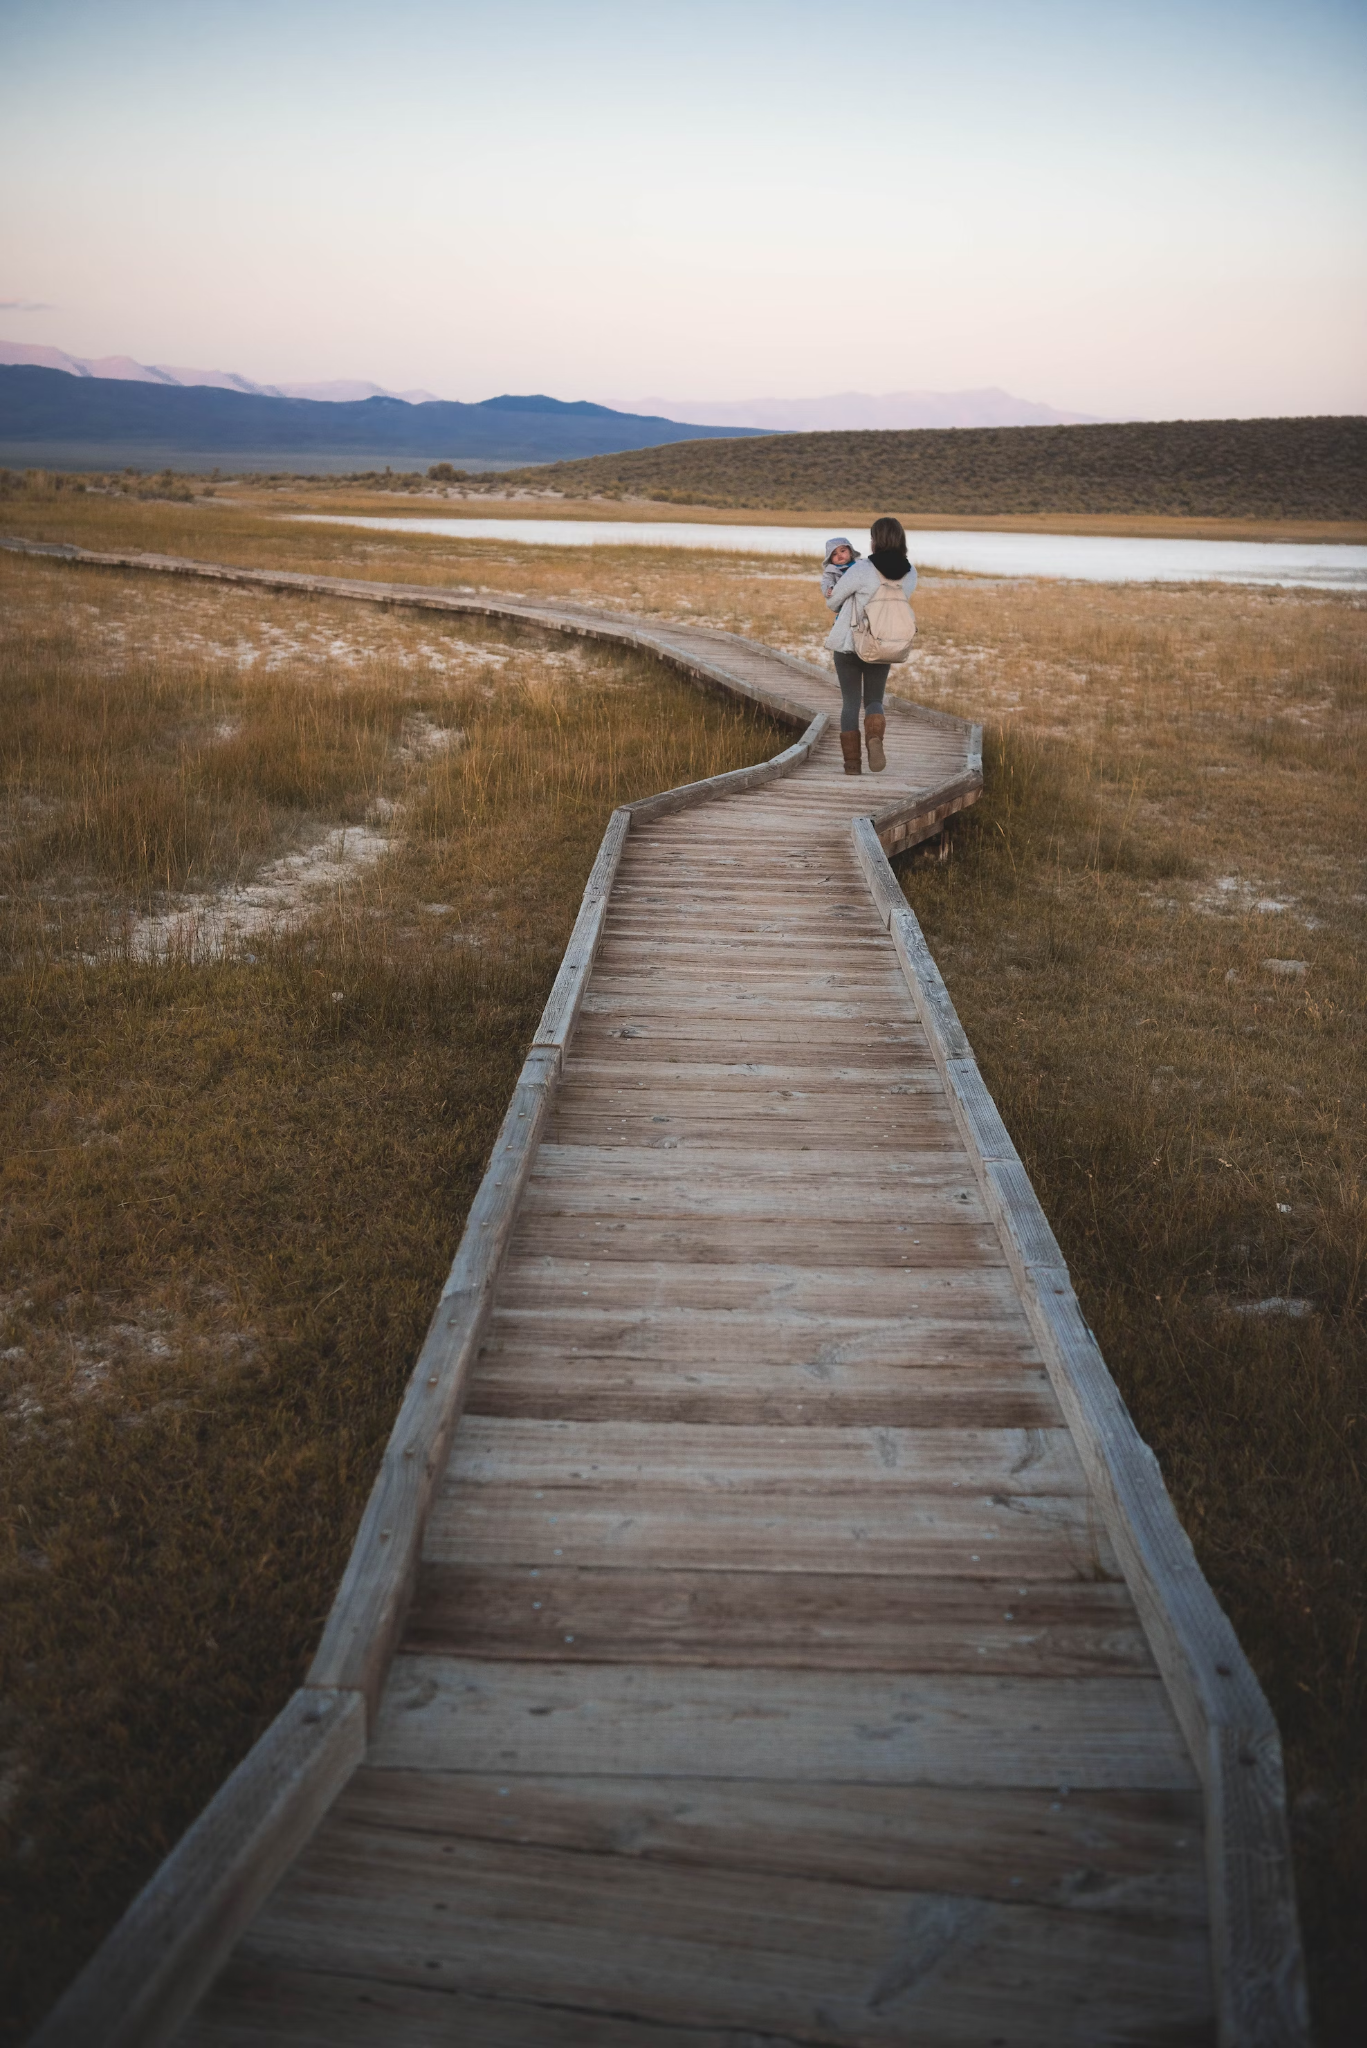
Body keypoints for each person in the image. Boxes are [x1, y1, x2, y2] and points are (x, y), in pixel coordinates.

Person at [824, 515, 917, 774]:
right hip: (884, 644)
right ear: (900, 539)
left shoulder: (862, 568)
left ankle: (852, 764)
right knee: (875, 700)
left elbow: (833, 603)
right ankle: (875, 738)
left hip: (850, 644)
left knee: (850, 703)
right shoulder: (910, 572)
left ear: (875, 540)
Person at [820, 534, 860, 599]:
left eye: (842, 551)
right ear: (830, 558)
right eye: (834, 554)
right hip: (843, 601)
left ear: (851, 552)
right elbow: (826, 581)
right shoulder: (831, 571)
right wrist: (829, 589)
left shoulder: (859, 564)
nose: (839, 555)